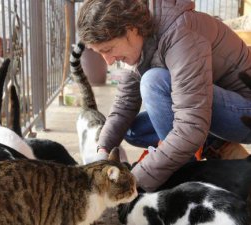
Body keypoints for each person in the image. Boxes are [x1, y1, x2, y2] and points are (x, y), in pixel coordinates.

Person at [76, 0, 251, 192]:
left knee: (154, 82)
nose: (108, 62)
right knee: (131, 129)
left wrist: (135, 181)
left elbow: (191, 127)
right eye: (100, 53)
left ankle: (187, 176)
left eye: (108, 50)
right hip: (203, 108)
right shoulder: (138, 39)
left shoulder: (179, 33)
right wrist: (102, 151)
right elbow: (124, 106)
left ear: (131, 29)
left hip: (244, 112)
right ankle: (216, 144)